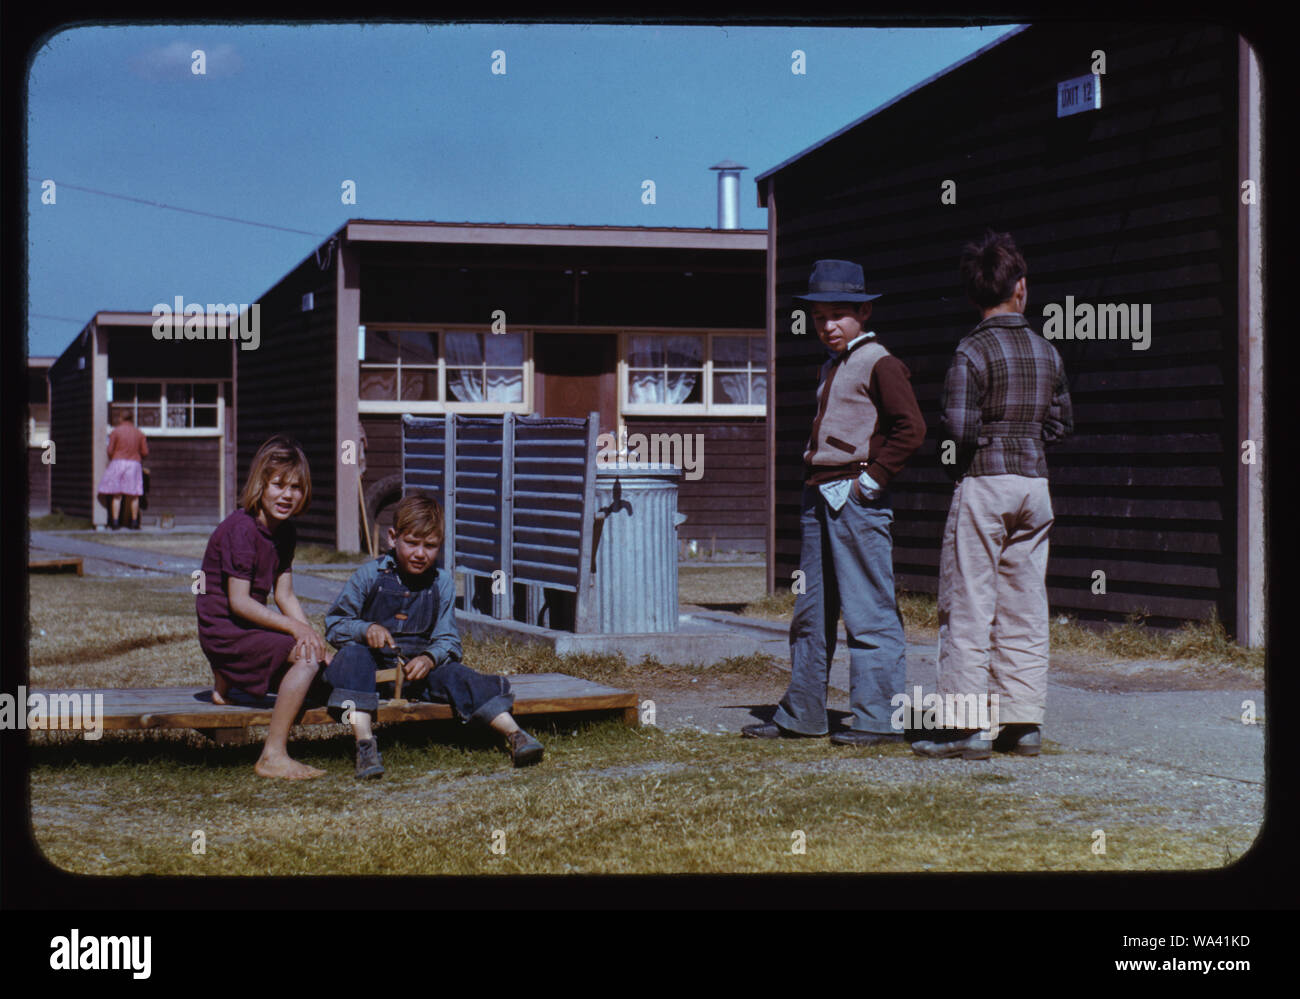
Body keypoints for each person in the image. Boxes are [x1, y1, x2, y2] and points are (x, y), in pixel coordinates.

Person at [743, 259, 925, 745]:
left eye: (839, 315)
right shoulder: (831, 364)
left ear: (864, 311)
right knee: (810, 611)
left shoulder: (880, 361)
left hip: (857, 501)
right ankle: (801, 713)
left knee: (868, 609)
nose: (828, 326)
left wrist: (872, 481)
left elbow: (912, 428)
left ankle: (878, 718)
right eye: (820, 316)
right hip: (818, 496)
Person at [913, 231, 1073, 760]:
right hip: (1035, 484)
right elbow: (1060, 423)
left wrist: (966, 460)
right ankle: (1022, 723)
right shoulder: (1047, 351)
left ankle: (964, 726)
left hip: (984, 481)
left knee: (968, 603)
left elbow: (958, 430)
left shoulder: (970, 350)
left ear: (971, 295)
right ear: (1021, 289)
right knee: (1025, 603)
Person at [323, 493, 544, 778]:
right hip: (370, 674)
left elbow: (448, 640)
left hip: (417, 674)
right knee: (352, 656)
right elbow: (335, 624)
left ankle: (515, 734)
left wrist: (429, 658)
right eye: (412, 543)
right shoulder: (368, 576)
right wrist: (364, 629)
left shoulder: (441, 583)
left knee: (461, 676)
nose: (420, 553)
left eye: (430, 546)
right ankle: (365, 745)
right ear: (393, 538)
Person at [196, 435, 332, 780]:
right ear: (261, 484)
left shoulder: (285, 532)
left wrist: (312, 634)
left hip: (245, 626)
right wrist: (300, 637)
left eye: (297, 488)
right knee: (306, 660)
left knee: (318, 659)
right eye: (278, 485)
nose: (287, 495)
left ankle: (224, 684)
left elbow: (285, 595)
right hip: (225, 630)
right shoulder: (241, 531)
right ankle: (273, 755)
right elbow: (238, 602)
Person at [98, 410, 148, 530]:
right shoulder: (139, 433)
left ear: (121, 418)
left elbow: (109, 450)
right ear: (132, 419)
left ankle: (115, 522)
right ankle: (134, 522)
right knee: (134, 495)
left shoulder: (116, 432)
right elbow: (145, 452)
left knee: (117, 495)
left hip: (118, 462)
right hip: (134, 464)